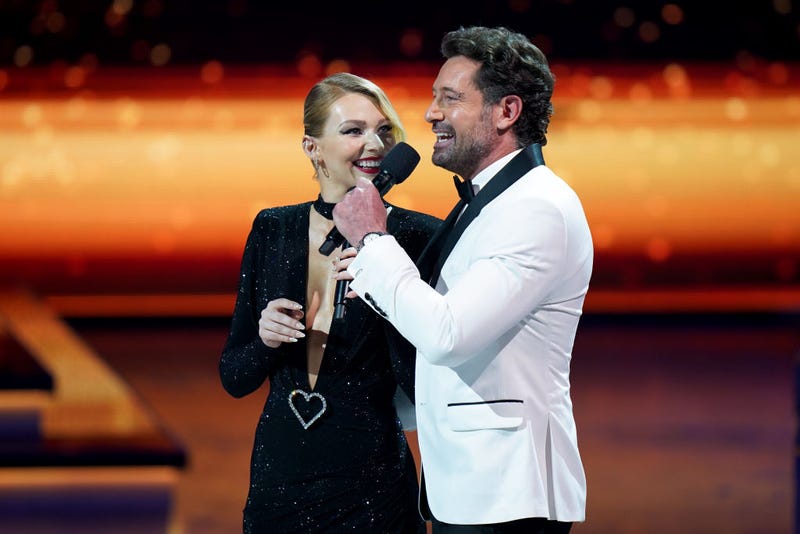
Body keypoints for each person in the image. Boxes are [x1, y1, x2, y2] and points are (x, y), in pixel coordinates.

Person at [332, 26, 593, 533]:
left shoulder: (536, 207)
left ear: (506, 112)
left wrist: (372, 241)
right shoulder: (486, 200)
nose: (430, 114)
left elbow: (448, 334)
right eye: (434, 98)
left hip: (509, 496)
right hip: (470, 488)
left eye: (449, 99)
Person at [219, 72, 440, 533]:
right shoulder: (273, 228)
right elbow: (236, 377)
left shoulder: (418, 235)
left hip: (373, 484)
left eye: (383, 130)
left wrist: (384, 282)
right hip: (280, 479)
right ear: (311, 147)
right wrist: (264, 339)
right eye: (353, 130)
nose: (374, 143)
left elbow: (428, 385)